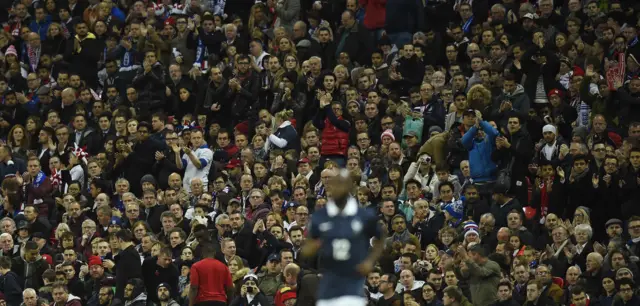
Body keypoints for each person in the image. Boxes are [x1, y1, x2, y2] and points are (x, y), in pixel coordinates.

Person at [303, 168, 385, 306]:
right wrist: (316, 246)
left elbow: (381, 237)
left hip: (353, 284)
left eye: (342, 184)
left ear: (349, 186)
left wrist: (370, 261)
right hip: (328, 283)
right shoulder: (320, 216)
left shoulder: (364, 215)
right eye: (336, 184)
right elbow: (307, 249)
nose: (338, 188)